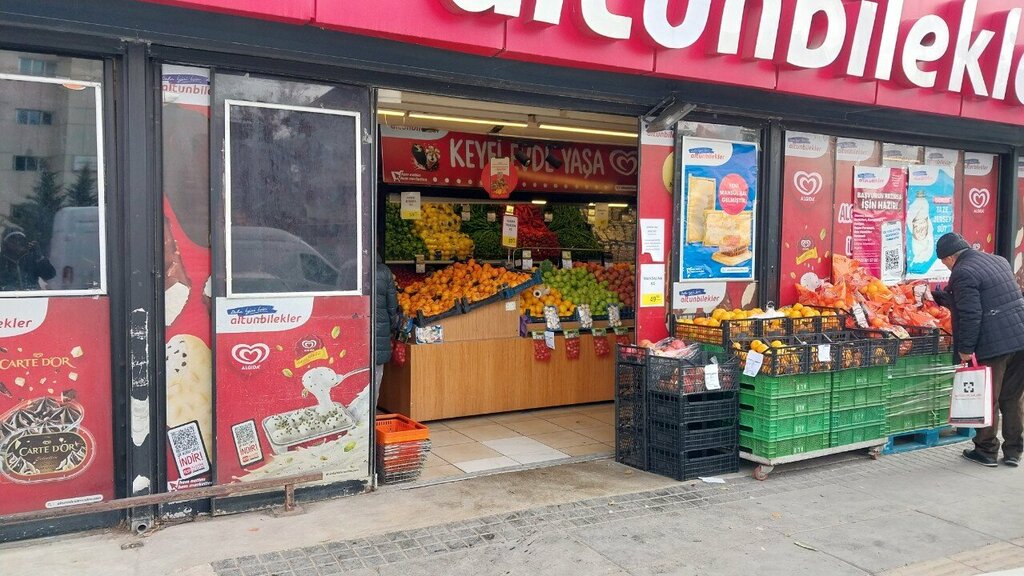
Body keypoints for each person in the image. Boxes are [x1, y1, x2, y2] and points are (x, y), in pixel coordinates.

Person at [932, 232, 1024, 468]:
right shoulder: (998, 260)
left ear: (950, 258)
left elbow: (971, 314)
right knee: (1012, 397)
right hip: (1020, 339)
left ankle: (986, 450)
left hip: (994, 345)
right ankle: (1013, 452)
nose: (947, 267)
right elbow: (985, 297)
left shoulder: (962, 272)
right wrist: (940, 297)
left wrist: (965, 349)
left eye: (944, 263)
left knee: (987, 399)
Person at [373, 250, 401, 402]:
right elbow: (392, 307)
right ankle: (372, 410)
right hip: (380, 329)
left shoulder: (349, 267)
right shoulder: (384, 272)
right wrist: (393, 326)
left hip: (356, 329)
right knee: (376, 373)